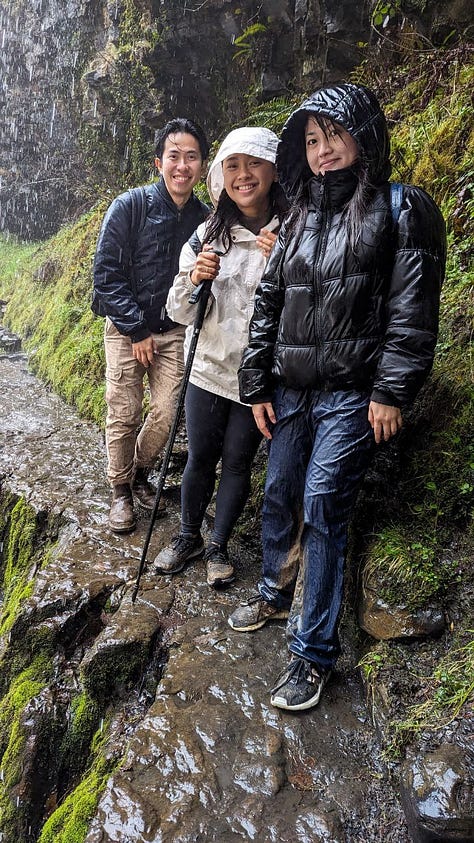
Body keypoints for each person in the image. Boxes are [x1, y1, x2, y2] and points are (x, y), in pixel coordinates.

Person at [228, 83, 446, 711]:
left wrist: (391, 391)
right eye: (313, 141)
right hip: (293, 388)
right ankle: (273, 589)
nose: (323, 152)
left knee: (323, 500)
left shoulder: (402, 208)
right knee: (280, 488)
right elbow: (270, 301)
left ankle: (312, 652)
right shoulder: (297, 215)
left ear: (364, 137)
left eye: (335, 137)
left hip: (354, 393)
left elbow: (411, 312)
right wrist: (256, 382)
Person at [154, 126, 288, 587]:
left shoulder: (295, 233)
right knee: (200, 456)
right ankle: (187, 535)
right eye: (233, 165)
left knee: (236, 462)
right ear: (221, 176)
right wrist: (195, 279)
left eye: (253, 164)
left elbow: (312, 308)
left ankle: (218, 546)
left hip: (257, 379)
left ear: (274, 169)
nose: (243, 175)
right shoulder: (207, 234)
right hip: (207, 368)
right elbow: (178, 310)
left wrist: (288, 262)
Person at [92, 118, 210, 533]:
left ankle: (138, 470)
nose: (182, 166)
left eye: (191, 157)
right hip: (127, 329)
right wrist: (136, 330)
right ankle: (120, 490)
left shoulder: (205, 218)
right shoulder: (130, 206)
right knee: (124, 412)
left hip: (175, 329)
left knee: (166, 411)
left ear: (201, 165)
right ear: (158, 162)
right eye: (174, 156)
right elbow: (106, 274)